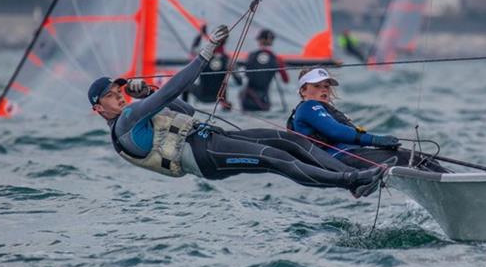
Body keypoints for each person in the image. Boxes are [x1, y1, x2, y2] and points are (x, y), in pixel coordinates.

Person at [88, 25, 385, 198]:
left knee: (288, 141)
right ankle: (351, 181)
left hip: (211, 139)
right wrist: (205, 55)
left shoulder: (133, 114)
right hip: (205, 157)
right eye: (112, 98)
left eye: (119, 93)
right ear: (99, 110)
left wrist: (149, 93)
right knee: (276, 158)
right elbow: (173, 90)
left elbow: (186, 109)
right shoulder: (125, 121)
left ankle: (355, 173)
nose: (120, 99)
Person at [286, 67, 448, 171]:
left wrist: (378, 142)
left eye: (326, 86)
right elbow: (336, 132)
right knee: (413, 161)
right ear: (303, 91)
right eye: (316, 86)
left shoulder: (322, 109)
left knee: (421, 160)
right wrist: (376, 140)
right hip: (339, 159)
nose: (323, 90)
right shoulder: (308, 107)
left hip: (349, 154)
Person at [183, 24, 241, 110]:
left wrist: (200, 34)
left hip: (202, 95)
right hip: (218, 98)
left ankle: (184, 109)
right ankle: (225, 104)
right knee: (224, 87)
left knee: (185, 85)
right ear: (225, 41)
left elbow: (193, 49)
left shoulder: (203, 55)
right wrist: (232, 71)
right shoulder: (228, 60)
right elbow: (239, 82)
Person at [239, 28, 289, 111]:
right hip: (263, 101)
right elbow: (286, 80)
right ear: (271, 41)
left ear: (260, 40)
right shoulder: (277, 59)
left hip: (247, 99)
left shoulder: (251, 55)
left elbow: (243, 76)